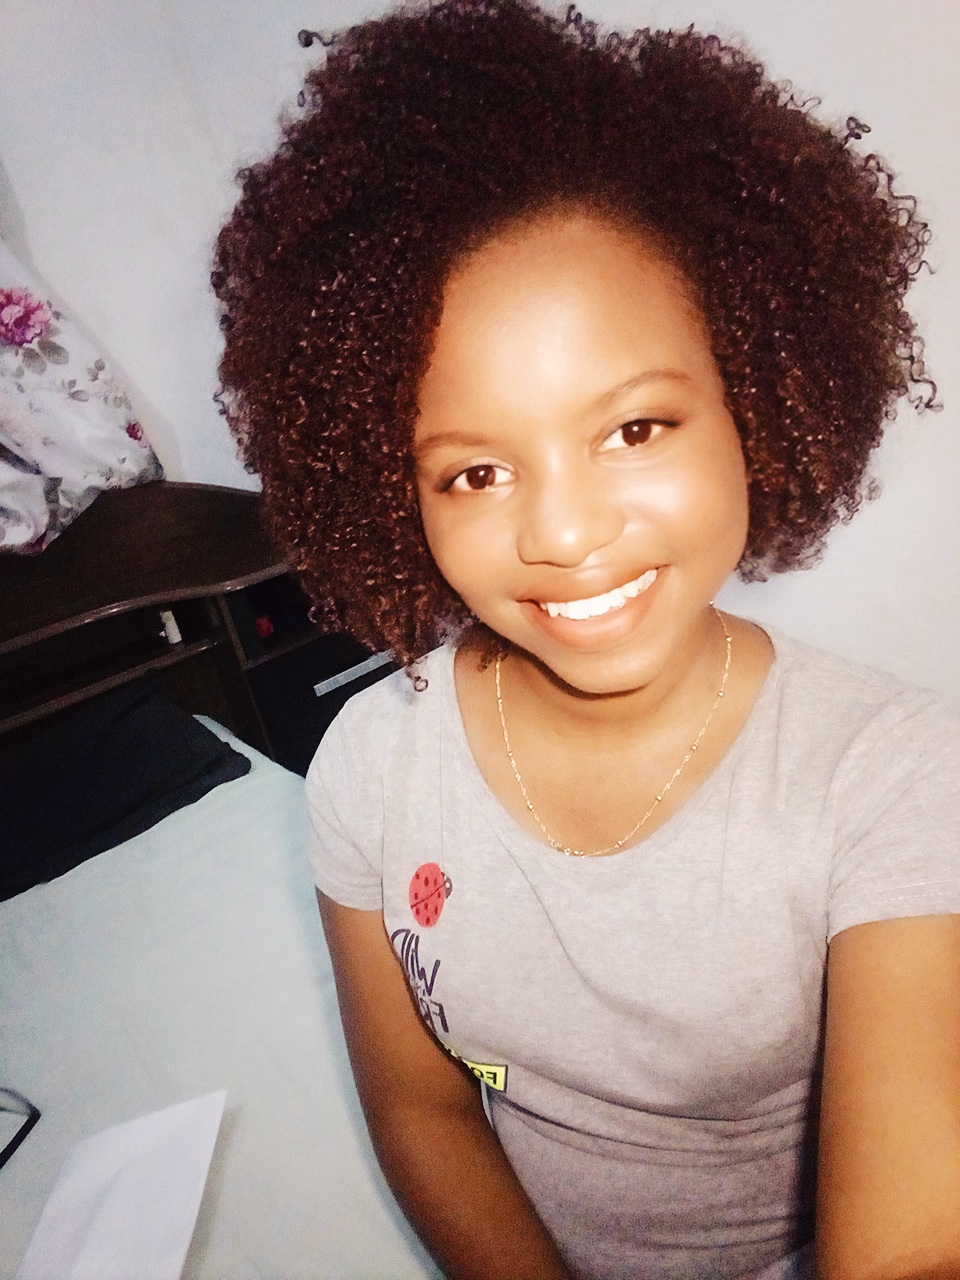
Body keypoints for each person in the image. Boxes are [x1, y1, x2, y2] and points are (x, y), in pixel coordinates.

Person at [211, 1, 960, 1276]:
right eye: (477, 471)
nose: (563, 533)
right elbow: (423, 1106)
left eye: (633, 429)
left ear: (754, 394)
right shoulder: (372, 768)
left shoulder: (891, 775)